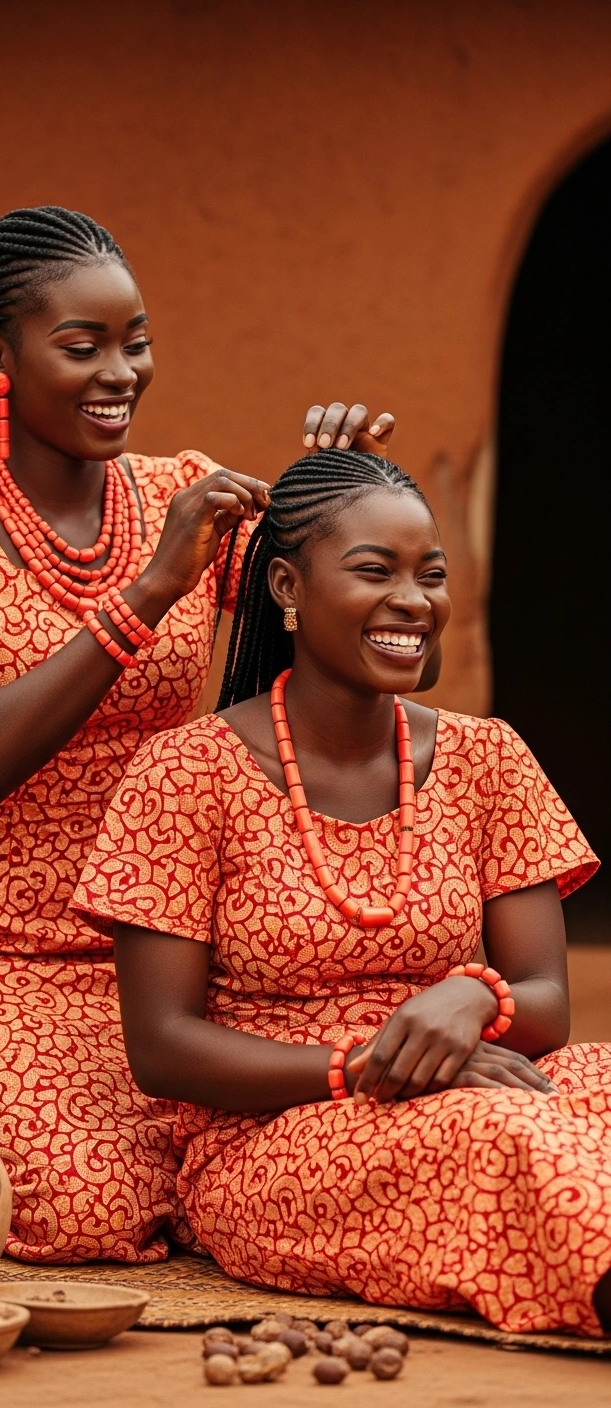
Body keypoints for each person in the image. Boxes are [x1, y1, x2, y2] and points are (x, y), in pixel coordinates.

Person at [0, 203, 399, 1265]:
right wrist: (154, 586)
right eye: (84, 344)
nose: (121, 370)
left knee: (313, 1145)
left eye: (136, 341)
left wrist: (347, 493)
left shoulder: (171, 490)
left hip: (168, 961)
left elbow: (316, 615)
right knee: (97, 1212)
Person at [75, 446, 611, 1335]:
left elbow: (547, 1005)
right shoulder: (187, 772)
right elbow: (161, 1048)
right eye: (376, 570)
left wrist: (469, 999)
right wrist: (359, 1066)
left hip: (472, 1074)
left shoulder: (488, 757)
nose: (415, 600)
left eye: (431, 574)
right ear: (286, 586)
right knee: (505, 1143)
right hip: (276, 1135)